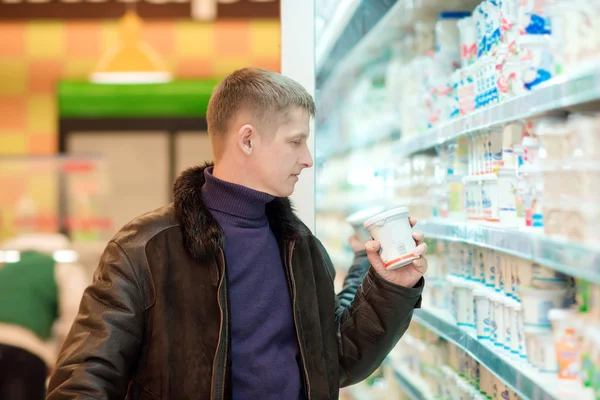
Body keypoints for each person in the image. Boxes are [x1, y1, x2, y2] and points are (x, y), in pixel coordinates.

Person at [47, 67, 428, 400]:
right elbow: (83, 378)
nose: (308, 158)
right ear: (247, 140)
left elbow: (335, 361)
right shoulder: (143, 249)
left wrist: (389, 285)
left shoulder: (301, 247)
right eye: (296, 141)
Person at [0, 233, 87, 400]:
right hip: (25, 352)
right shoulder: (62, 267)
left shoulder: (5, 269)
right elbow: (75, 318)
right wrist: (61, 364)